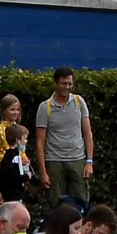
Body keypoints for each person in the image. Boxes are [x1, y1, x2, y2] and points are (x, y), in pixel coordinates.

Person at [34, 66, 93, 204]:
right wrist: (43, 172)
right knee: (56, 205)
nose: (67, 87)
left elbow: (87, 133)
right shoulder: (45, 107)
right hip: (54, 161)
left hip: (77, 159)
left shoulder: (79, 102)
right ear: (55, 83)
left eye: (70, 84)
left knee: (81, 203)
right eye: (64, 83)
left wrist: (89, 161)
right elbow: (40, 141)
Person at [0, 120, 32, 204]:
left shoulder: (15, 155)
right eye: (25, 138)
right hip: (12, 195)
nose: (26, 141)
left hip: (16, 194)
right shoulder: (12, 157)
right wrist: (26, 176)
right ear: (18, 140)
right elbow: (13, 175)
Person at [0, 91, 22, 169]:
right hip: (3, 170)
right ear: (4, 110)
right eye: (12, 109)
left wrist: (23, 159)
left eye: (17, 110)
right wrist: (9, 158)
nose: (15, 112)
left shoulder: (19, 129)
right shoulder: (0, 130)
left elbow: (22, 149)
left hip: (17, 170)